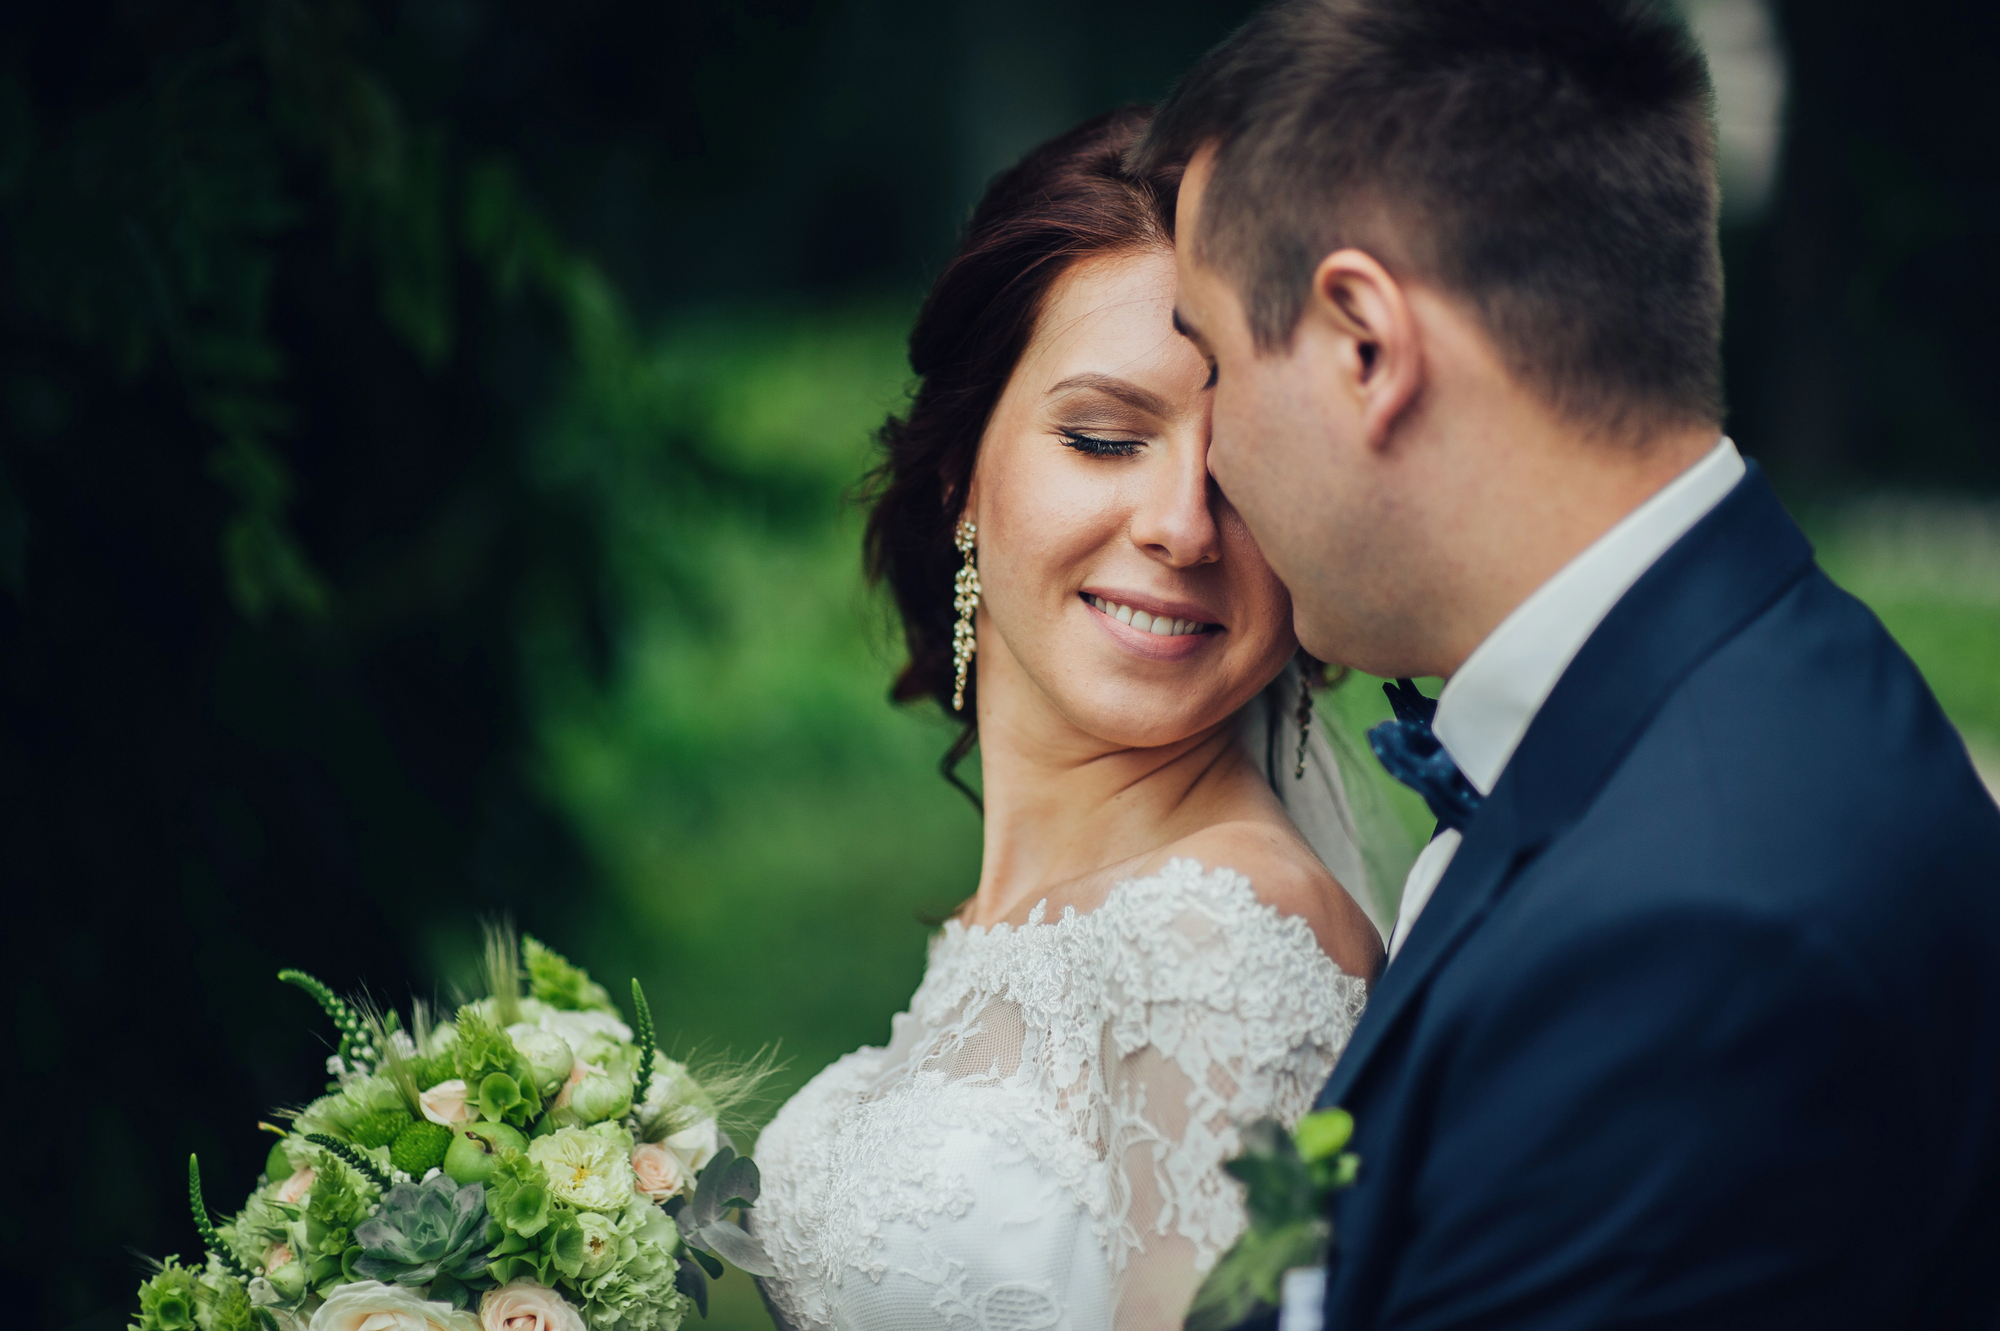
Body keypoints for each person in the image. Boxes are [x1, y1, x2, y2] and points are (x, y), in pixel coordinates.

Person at [1129, 0, 2000, 1327]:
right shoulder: (1739, 691)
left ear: (1366, 346)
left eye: (1211, 361)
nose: (1210, 462)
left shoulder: (1693, 931)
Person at [749, 108, 1388, 1331]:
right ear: (961, 469)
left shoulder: (1220, 940)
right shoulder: (1028, 920)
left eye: (1249, 469)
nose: (1182, 525)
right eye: (1104, 437)